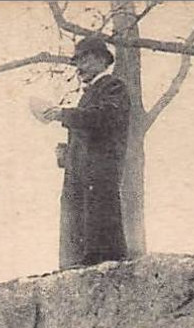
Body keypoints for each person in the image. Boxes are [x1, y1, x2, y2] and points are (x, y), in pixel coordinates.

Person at [41, 35, 130, 267]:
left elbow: (102, 118)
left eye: (86, 60)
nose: (79, 67)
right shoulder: (88, 94)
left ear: (102, 60)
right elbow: (88, 132)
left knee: (101, 251)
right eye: (77, 61)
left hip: (98, 180)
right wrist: (67, 153)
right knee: (79, 247)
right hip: (81, 179)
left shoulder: (113, 87)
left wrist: (63, 114)